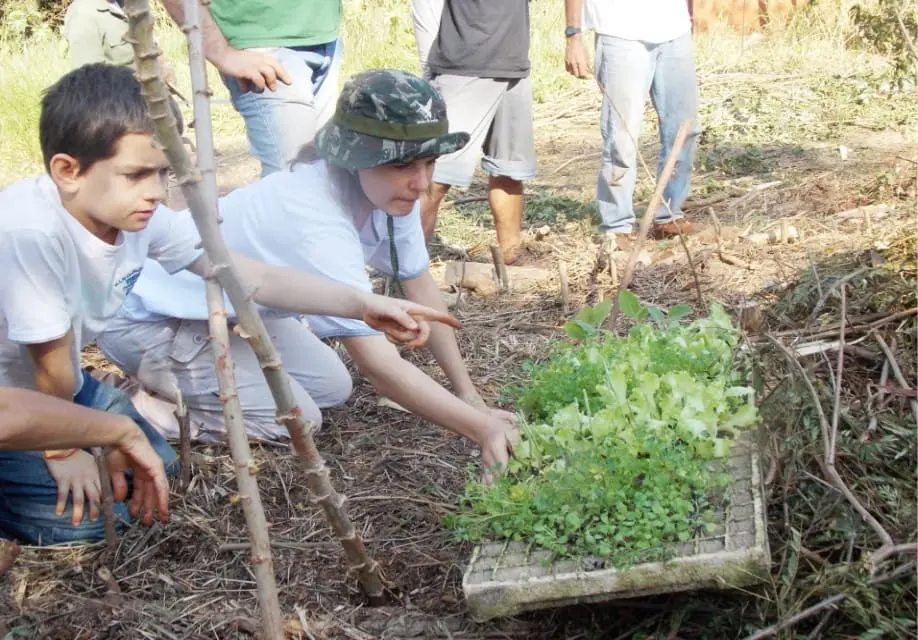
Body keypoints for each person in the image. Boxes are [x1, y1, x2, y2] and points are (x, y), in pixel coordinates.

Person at [0, 63, 457, 545]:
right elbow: (50, 370)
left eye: (161, 172)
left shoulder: (136, 215)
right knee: (99, 517)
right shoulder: (30, 235)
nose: (156, 192)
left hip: (44, 385)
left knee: (162, 465)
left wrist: (360, 305)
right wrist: (64, 449)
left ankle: (108, 413)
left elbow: (248, 276)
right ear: (67, 172)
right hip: (19, 395)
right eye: (136, 174)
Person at [99, 69, 519, 482]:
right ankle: (131, 411)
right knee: (296, 421)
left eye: (430, 161)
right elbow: (379, 366)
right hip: (153, 319)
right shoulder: (314, 215)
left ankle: (190, 383)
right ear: (357, 158)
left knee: (331, 387)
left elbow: (421, 286)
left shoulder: (392, 195)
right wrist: (480, 429)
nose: (422, 182)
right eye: (404, 165)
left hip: (235, 315)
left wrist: (468, 396)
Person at [563, 0, 703, 248]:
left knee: (684, 131)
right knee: (622, 137)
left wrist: (689, 17)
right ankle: (616, 225)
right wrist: (573, 34)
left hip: (674, 32)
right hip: (620, 34)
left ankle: (668, 215)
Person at [413, 0, 537, 265]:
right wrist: (429, 67)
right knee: (433, 177)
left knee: (509, 170)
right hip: (464, 65)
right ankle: (404, 273)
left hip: (513, 64)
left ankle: (510, 264)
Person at [159, 0, 344, 177]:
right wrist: (220, 53)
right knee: (294, 184)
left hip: (327, 38)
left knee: (324, 180)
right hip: (263, 51)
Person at [0, 386, 170, 530]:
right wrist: (63, 450)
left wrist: (116, 435)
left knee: (164, 465)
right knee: (107, 522)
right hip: (12, 410)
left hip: (53, 389)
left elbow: (55, 366)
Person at [63, 0, 187, 135]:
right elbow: (90, 84)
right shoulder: (84, 14)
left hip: (157, 109)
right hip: (129, 121)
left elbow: (148, 43)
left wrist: (163, 67)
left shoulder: (126, 6)